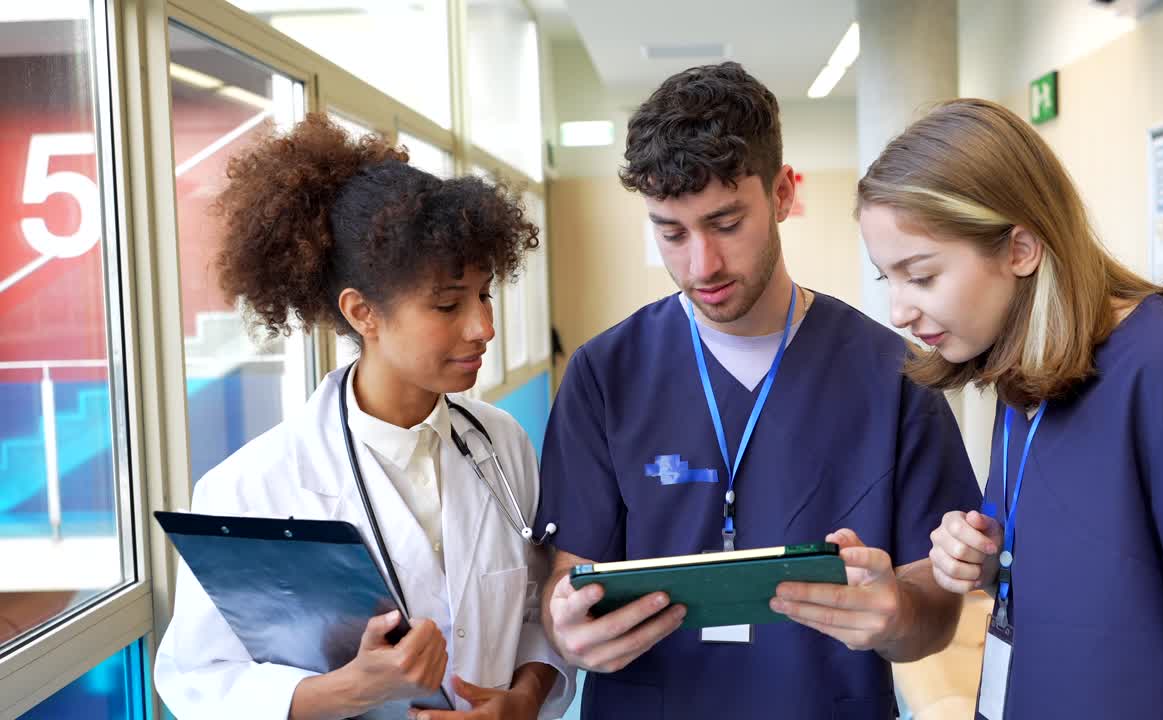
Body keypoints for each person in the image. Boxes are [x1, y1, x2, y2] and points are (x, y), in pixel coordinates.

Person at [534, 62, 981, 719]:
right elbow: (565, 580)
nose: (700, 265)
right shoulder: (605, 375)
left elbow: (933, 611)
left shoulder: (895, 377)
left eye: (725, 223)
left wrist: (897, 616)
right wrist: (565, 625)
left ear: (781, 194)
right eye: (671, 233)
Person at [858, 98, 1163, 718]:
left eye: (920, 276)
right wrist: (982, 554)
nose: (899, 311)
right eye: (885, 279)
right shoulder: (1024, 374)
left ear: (1020, 250)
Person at [154, 114, 573, 720]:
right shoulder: (250, 486)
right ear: (363, 312)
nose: (483, 327)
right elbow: (200, 681)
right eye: (447, 304)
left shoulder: (500, 443)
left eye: (484, 293)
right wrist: (357, 687)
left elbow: (537, 606)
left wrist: (525, 699)